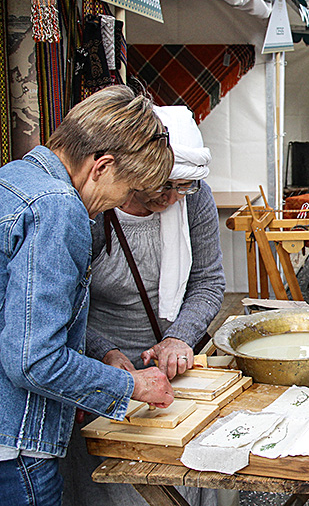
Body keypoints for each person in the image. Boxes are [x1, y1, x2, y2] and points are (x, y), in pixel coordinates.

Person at [0, 86, 175, 505]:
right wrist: (128, 384)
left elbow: (20, 321)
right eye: (129, 190)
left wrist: (97, 351)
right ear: (102, 166)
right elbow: (33, 359)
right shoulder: (58, 208)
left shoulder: (14, 179)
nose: (123, 203)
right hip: (18, 444)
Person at [60, 105, 226, 505]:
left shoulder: (194, 197)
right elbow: (64, 309)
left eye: (182, 188)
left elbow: (208, 281)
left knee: (186, 475)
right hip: (101, 363)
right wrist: (105, 352)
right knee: (118, 488)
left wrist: (178, 339)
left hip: (172, 366)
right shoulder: (94, 207)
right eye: (161, 185)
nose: (171, 198)